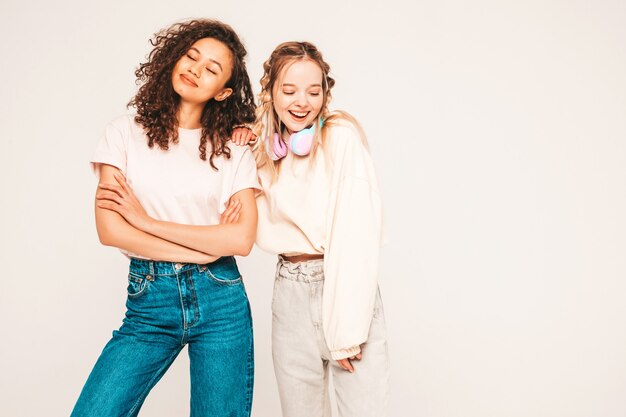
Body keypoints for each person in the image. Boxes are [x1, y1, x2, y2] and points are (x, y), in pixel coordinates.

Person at [71, 19, 259, 417]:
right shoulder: (124, 133)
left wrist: (146, 221)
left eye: (211, 68)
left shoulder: (233, 148)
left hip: (220, 300)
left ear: (224, 91)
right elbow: (110, 230)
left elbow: (240, 240)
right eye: (191, 57)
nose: (195, 69)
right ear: (173, 60)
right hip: (150, 298)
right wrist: (206, 245)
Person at [233, 41, 390, 417]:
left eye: (313, 91)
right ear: (270, 91)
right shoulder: (263, 149)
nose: (302, 101)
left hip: (340, 286)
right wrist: (242, 142)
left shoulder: (341, 137)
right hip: (288, 292)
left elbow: (358, 236)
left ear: (325, 94)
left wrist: (347, 329)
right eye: (289, 91)